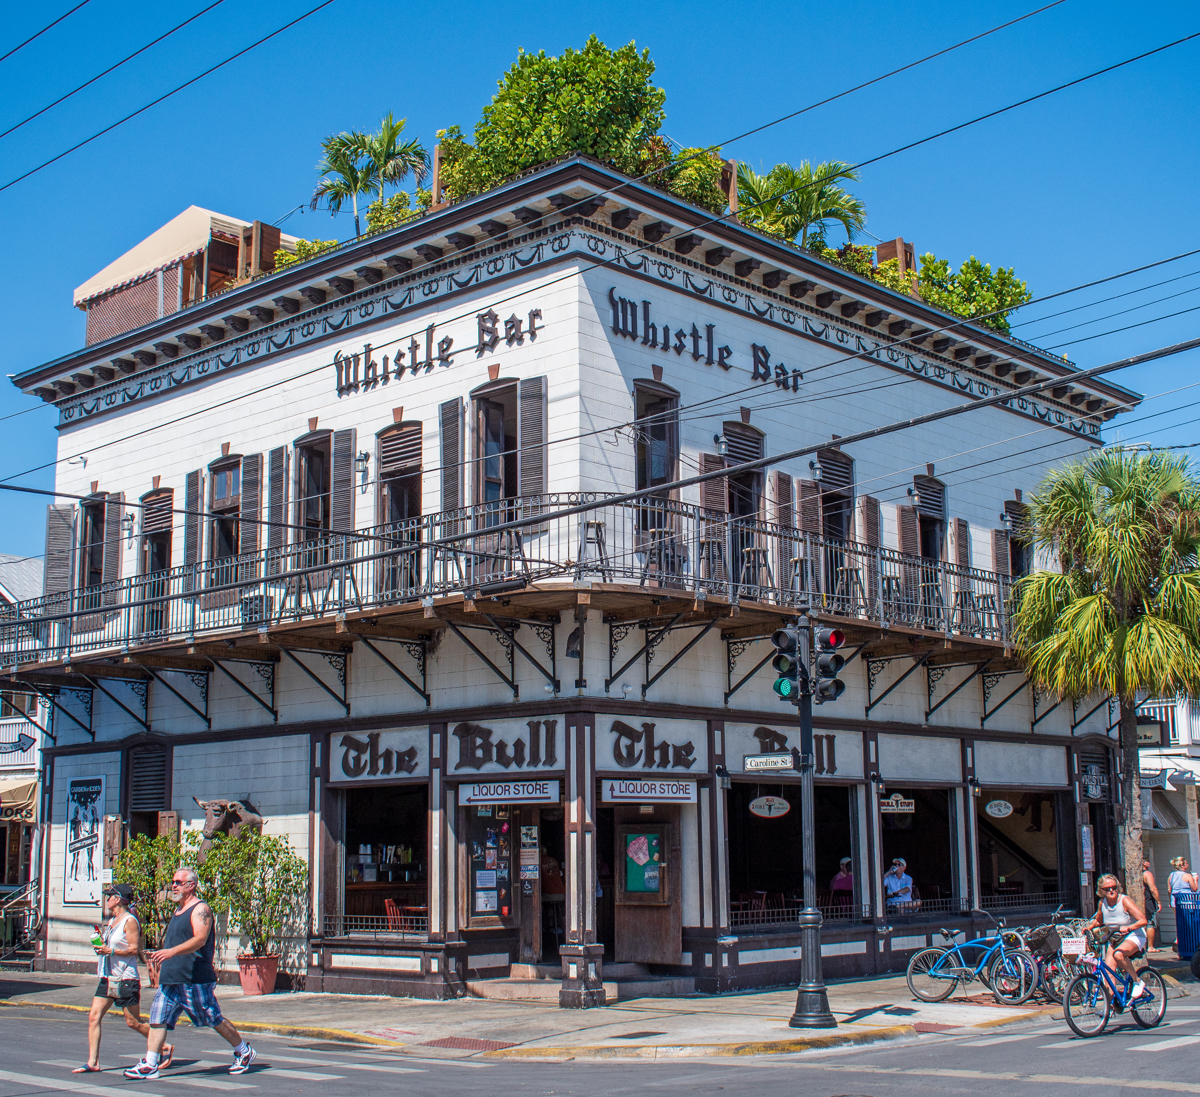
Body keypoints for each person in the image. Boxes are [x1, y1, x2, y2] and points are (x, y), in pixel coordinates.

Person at [124, 868, 256, 1080]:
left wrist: (170, 952)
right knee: (158, 1019)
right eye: (172, 882)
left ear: (191, 885)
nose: (173, 885)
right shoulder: (178, 911)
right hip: (171, 979)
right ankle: (150, 1064)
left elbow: (200, 939)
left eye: (178, 882)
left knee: (213, 1018)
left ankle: (244, 1051)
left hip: (194, 979)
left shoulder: (200, 909)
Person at [73, 884, 173, 1074]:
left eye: (109, 896)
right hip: (108, 977)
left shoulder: (130, 921)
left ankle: (164, 1046)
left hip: (126, 979)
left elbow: (134, 949)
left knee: (133, 1022)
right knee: (94, 1016)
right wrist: (101, 945)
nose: (107, 899)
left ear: (117, 899)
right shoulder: (112, 921)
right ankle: (93, 1061)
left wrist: (111, 950)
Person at [1085, 873, 1149, 1000]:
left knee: (1118, 955)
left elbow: (1143, 920)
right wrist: (1089, 927)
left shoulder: (1124, 900)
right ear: (1101, 890)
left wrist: (1129, 927)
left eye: (1113, 887)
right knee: (1108, 972)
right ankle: (1111, 1006)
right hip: (1115, 938)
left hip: (1133, 935)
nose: (1111, 890)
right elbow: (1099, 920)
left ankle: (1137, 981)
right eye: (1107, 889)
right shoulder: (1102, 903)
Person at [1142, 860, 1161, 952]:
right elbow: (1153, 889)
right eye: (1146, 861)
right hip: (1148, 901)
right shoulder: (1147, 874)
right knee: (1150, 923)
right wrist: (1159, 902)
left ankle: (1142, 946)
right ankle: (1150, 946)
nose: (1148, 863)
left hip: (1138, 902)